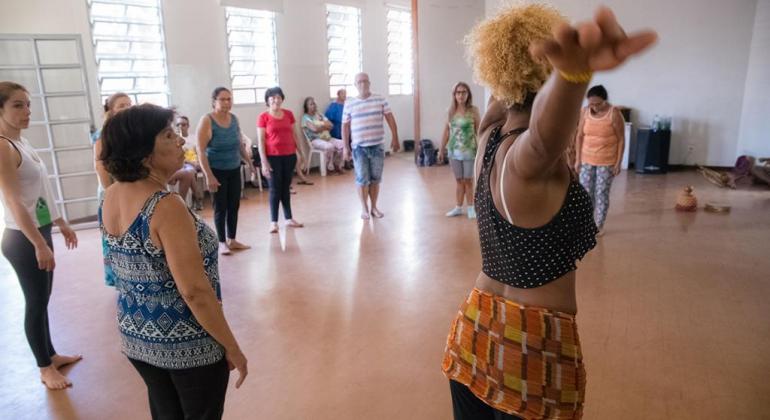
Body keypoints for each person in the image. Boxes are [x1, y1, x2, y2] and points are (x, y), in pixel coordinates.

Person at [440, 5, 656, 419]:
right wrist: (572, 76)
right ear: (544, 78)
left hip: (473, 332)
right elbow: (543, 137)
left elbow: (517, 105)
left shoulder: (488, 134)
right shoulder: (528, 160)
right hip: (533, 347)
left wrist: (536, 72)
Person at [99, 104, 247, 419]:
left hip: (137, 336)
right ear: (143, 154)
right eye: (168, 135)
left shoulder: (110, 195)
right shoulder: (166, 206)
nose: (181, 140)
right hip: (185, 342)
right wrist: (232, 346)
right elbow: (194, 290)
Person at [0, 81, 81, 390]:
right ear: (1, 109)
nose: (26, 111)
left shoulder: (21, 142)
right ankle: (45, 368)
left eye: (28, 104)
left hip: (39, 230)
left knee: (43, 299)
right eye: (17, 105)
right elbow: (13, 200)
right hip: (23, 239)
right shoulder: (3, 145)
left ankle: (50, 353)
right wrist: (37, 243)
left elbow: (38, 192)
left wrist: (60, 221)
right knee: (35, 301)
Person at [196, 87, 252, 255]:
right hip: (216, 170)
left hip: (234, 168)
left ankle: (232, 239)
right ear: (214, 101)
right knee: (220, 207)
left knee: (234, 205)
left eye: (229, 99)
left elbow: (239, 144)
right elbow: (200, 150)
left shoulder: (234, 119)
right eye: (223, 99)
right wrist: (209, 175)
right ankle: (221, 242)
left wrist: (249, 162)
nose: (227, 102)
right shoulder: (207, 120)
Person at [342, 73, 400, 219]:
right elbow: (345, 126)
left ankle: (374, 207)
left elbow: (390, 118)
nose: (362, 84)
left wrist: (395, 137)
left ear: (369, 83)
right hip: (359, 148)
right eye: (359, 82)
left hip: (377, 146)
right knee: (362, 179)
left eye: (365, 81)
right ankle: (364, 208)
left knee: (375, 179)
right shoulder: (349, 103)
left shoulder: (380, 99)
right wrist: (345, 147)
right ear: (355, 85)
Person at [574, 85, 625, 235]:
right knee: (586, 194)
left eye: (598, 104)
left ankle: (598, 226)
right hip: (586, 159)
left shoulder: (614, 113)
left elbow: (621, 139)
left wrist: (618, 162)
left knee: (601, 193)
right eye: (591, 104)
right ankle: (586, 224)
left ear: (605, 101)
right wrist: (578, 160)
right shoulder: (585, 112)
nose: (594, 107)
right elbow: (579, 136)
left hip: (607, 161)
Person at [257, 87, 305, 234]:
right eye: (272, 98)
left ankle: (289, 218)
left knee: (286, 188)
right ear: (267, 101)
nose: (275, 100)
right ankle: (274, 222)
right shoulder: (263, 117)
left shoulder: (289, 114)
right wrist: (264, 162)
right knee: (274, 189)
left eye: (278, 97)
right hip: (272, 158)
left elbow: (295, 134)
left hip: (289, 156)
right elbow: (261, 141)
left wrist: (301, 153)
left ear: (282, 99)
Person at [438, 82, 481, 219]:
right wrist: (440, 150)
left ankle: (470, 208)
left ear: (468, 94)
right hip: (453, 151)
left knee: (468, 180)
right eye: (458, 92)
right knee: (459, 180)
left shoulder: (473, 111)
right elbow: (446, 132)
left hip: (469, 151)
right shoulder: (450, 111)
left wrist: (482, 149)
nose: (461, 95)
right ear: (454, 95)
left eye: (463, 92)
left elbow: (479, 131)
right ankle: (458, 207)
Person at [93, 92, 132, 201]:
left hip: (130, 190)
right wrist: (111, 193)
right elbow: (100, 166)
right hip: (112, 192)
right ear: (111, 111)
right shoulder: (104, 134)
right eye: (121, 106)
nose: (127, 108)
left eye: (129, 104)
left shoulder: (131, 132)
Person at [302, 96, 345, 174]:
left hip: (328, 138)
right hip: (315, 140)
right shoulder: (305, 118)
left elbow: (331, 125)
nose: (313, 105)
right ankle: (328, 168)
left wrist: (321, 126)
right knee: (329, 146)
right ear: (306, 107)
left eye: (314, 103)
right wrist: (325, 126)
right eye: (311, 104)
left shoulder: (320, 115)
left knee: (343, 144)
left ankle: (336, 165)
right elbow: (314, 129)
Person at [169, 115, 204, 211]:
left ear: (188, 126)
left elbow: (200, 152)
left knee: (189, 171)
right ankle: (198, 198)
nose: (180, 127)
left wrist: (200, 163)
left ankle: (192, 201)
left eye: (183, 124)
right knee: (189, 172)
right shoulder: (175, 140)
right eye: (178, 125)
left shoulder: (194, 138)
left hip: (195, 163)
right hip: (184, 164)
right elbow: (176, 156)